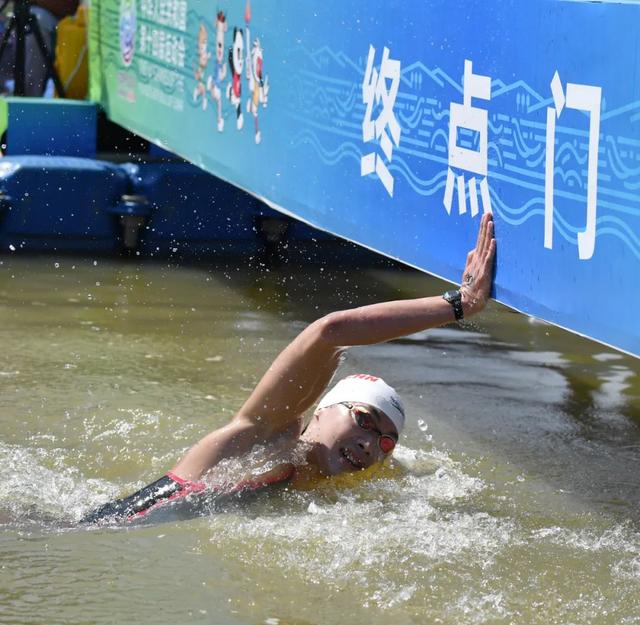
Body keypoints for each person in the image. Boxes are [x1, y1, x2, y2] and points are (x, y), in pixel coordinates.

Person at [82, 213, 496, 524]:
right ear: (320, 409)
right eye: (364, 420)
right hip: (94, 532)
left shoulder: (320, 487)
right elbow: (330, 331)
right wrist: (459, 305)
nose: (371, 444)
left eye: (386, 443)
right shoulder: (263, 437)